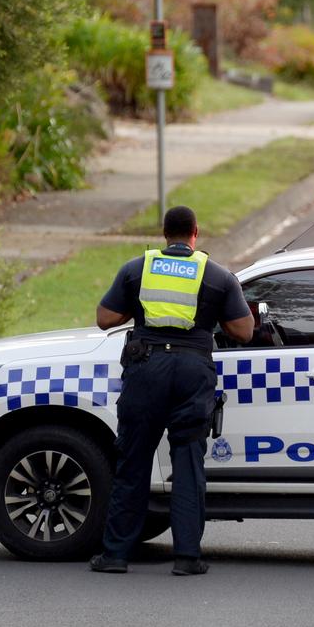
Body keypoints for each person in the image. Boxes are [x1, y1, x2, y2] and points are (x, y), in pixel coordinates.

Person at [89, 205, 253, 576]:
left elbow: (104, 319)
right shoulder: (216, 275)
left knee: (132, 463)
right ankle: (187, 558)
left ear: (164, 233)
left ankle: (115, 556)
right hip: (192, 372)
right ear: (196, 233)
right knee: (188, 464)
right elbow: (243, 331)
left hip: (145, 369)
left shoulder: (136, 269)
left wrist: (138, 307)